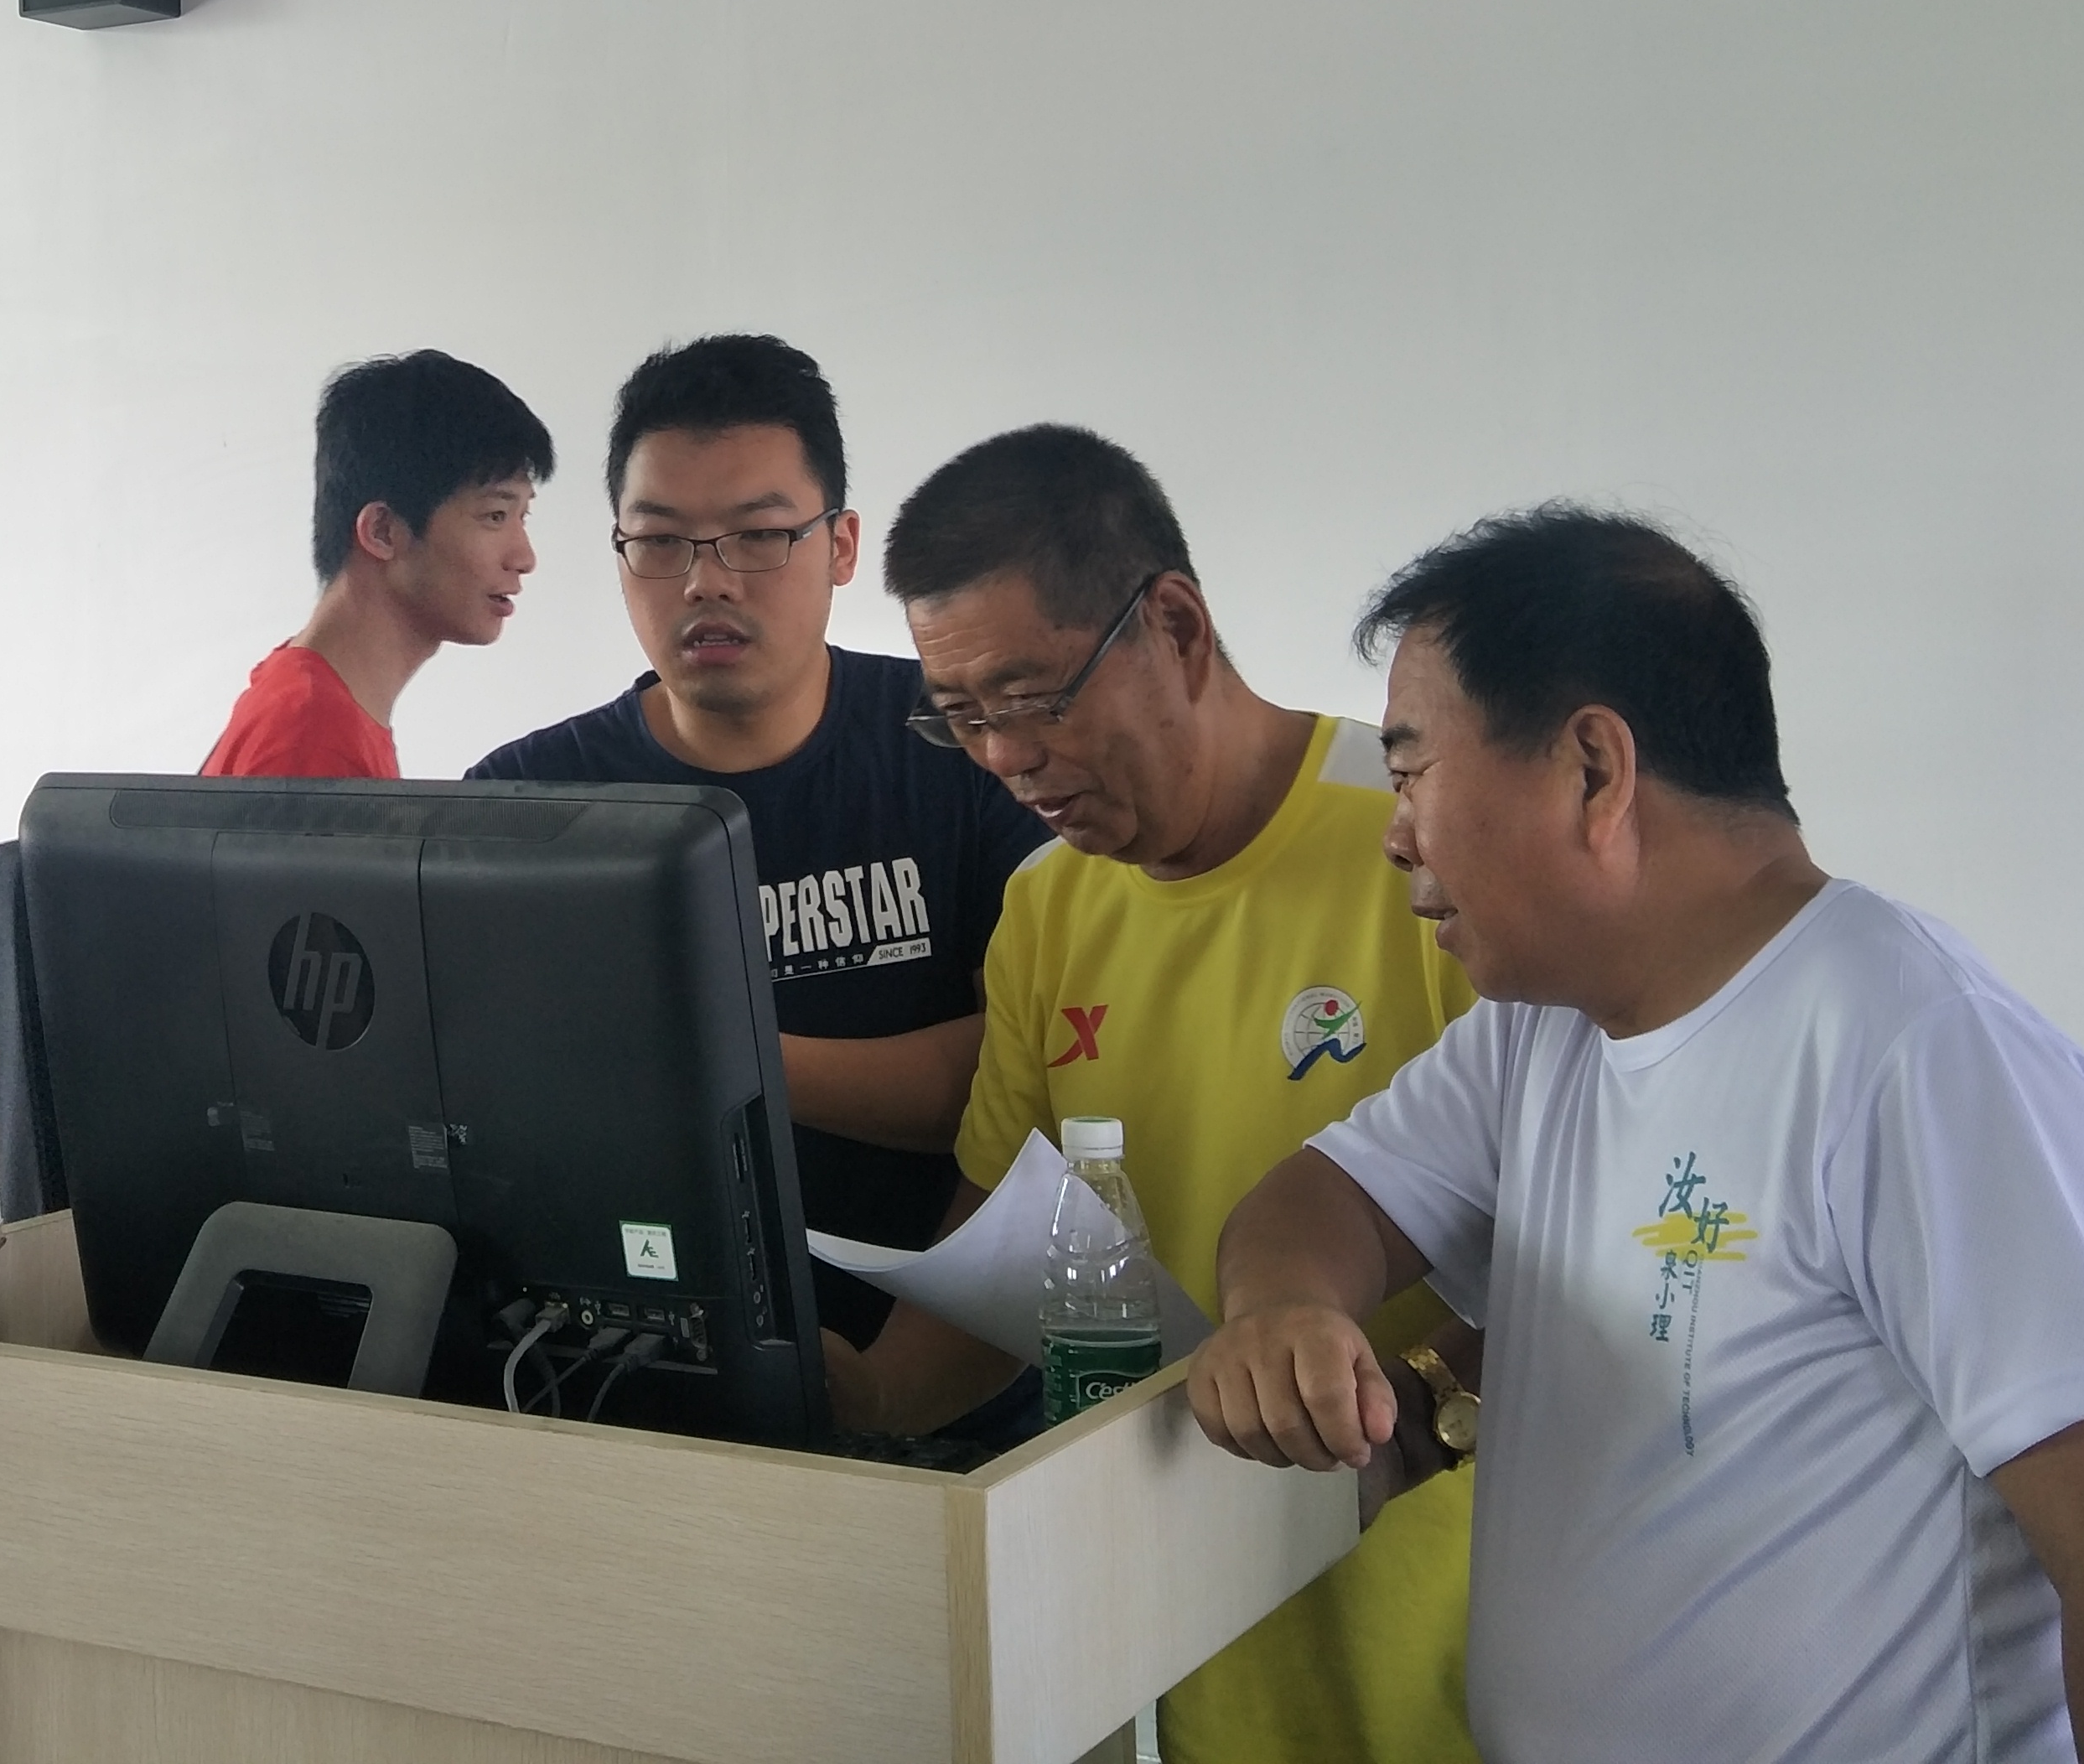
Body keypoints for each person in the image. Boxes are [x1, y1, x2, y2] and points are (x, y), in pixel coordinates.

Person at [1191, 507, 2084, 1764]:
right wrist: (1284, 1307)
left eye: (1413, 770)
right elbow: (1320, 1201)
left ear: (1595, 770)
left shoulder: (1916, 1049)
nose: (1395, 831)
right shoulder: (1541, 1034)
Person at [840, 425, 1479, 1764]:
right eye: (963, 717)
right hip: (1199, 1655)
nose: (1003, 757)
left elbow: (1600, 1260)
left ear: (1176, 627)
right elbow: (1007, 1279)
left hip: (1450, 1639)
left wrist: (1407, 1403)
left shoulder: (1424, 848)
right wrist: (836, 1399)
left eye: (1031, 698)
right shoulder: (1046, 911)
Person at [464, 336, 1043, 1352]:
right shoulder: (521, 808)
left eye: (760, 536)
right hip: (623, 1364)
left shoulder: (971, 745)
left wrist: (707, 1057)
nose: (706, 582)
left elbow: (1036, 1074)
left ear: (843, 546)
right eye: (660, 541)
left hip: (948, 1359)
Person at [203, 350, 549, 776]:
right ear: (383, 531)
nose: (525, 559)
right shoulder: (313, 736)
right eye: (495, 515)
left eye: (522, 516)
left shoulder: (312, 701)